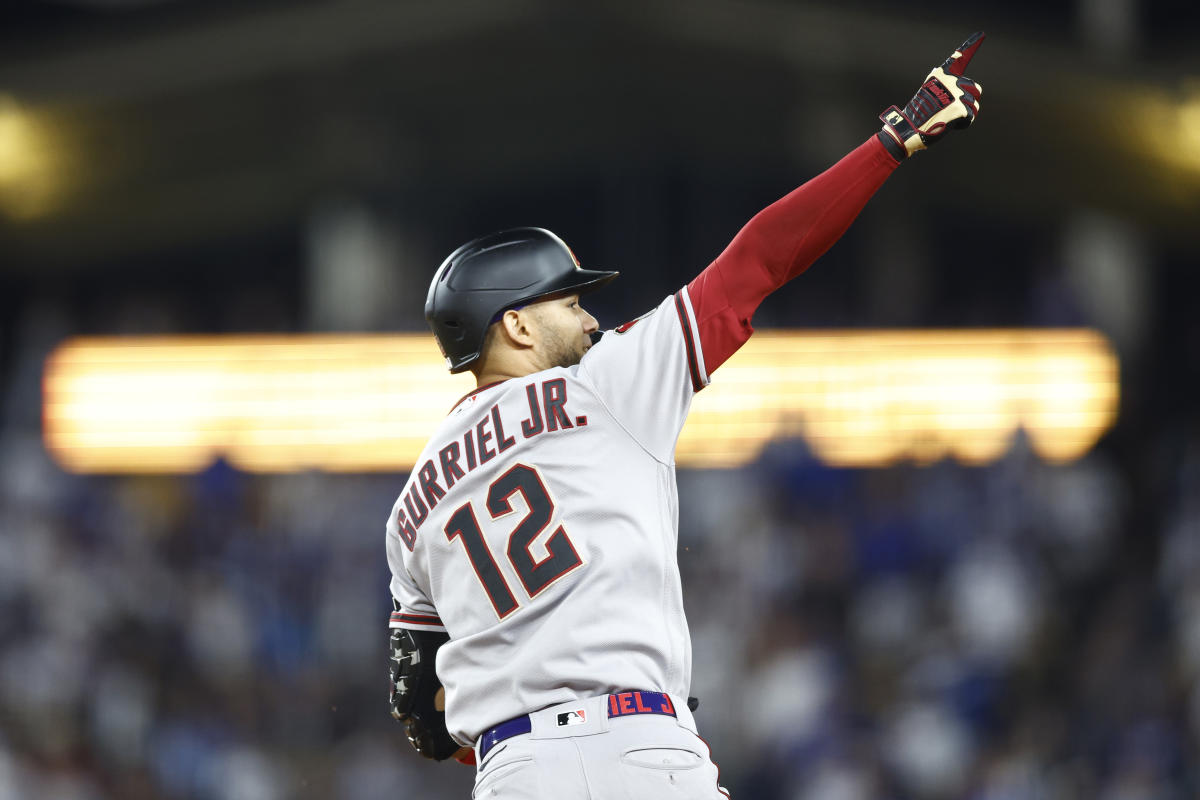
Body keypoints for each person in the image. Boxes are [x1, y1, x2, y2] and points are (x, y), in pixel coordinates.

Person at [385, 33, 985, 798]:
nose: (592, 322)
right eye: (570, 304)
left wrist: (508, 707)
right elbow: (759, 259)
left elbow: (418, 709)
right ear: (518, 326)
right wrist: (889, 144)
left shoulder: (413, 504)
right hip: (638, 747)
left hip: (515, 774)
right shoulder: (600, 385)